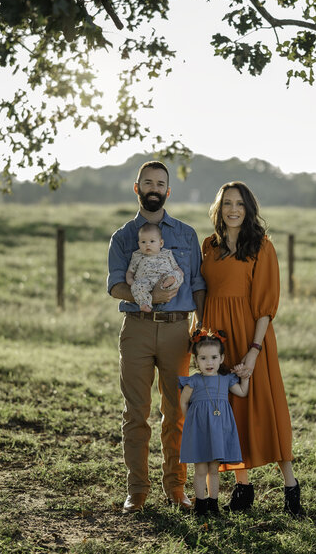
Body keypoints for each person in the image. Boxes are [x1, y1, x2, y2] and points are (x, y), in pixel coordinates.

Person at [107, 160, 206, 513]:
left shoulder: (185, 234)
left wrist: (204, 330)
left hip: (179, 331)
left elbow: (197, 286)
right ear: (137, 189)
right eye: (147, 182)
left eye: (160, 183)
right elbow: (116, 285)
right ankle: (137, 491)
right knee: (136, 412)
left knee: (176, 412)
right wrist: (145, 297)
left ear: (168, 191)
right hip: (136, 329)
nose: (153, 188)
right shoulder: (121, 237)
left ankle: (176, 488)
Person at [201, 181, 304, 517]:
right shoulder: (208, 246)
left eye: (240, 204)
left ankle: (291, 490)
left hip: (251, 337)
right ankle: (243, 487)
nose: (233, 210)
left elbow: (265, 308)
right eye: (227, 203)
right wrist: (202, 340)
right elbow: (202, 295)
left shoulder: (262, 247)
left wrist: (253, 352)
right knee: (226, 413)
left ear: (249, 210)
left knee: (266, 408)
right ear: (219, 208)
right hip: (217, 341)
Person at [179, 329, 249, 516]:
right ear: (196, 360)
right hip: (200, 429)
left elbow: (242, 392)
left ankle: (213, 504)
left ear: (221, 358)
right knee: (201, 469)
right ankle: (200, 506)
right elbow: (184, 401)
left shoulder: (226, 379)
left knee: (214, 469)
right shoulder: (193, 381)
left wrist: (245, 377)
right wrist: (190, 421)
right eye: (203, 358)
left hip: (219, 430)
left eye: (213, 357)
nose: (209, 362)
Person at [126, 223, 184, 312]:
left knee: (176, 274)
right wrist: (131, 281)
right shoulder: (137, 255)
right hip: (146, 281)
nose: (147, 245)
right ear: (139, 244)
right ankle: (145, 303)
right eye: (143, 242)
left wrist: (179, 273)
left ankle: (169, 282)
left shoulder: (166, 253)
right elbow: (130, 271)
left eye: (152, 241)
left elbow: (175, 267)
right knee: (137, 286)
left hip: (164, 278)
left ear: (161, 243)